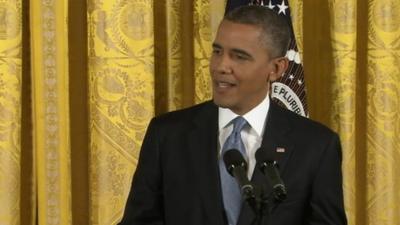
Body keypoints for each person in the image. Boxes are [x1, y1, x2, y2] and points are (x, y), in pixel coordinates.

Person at [118, 5, 347, 225]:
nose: (221, 66)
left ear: (276, 69)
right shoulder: (167, 135)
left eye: (239, 56)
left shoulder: (316, 146)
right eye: (217, 52)